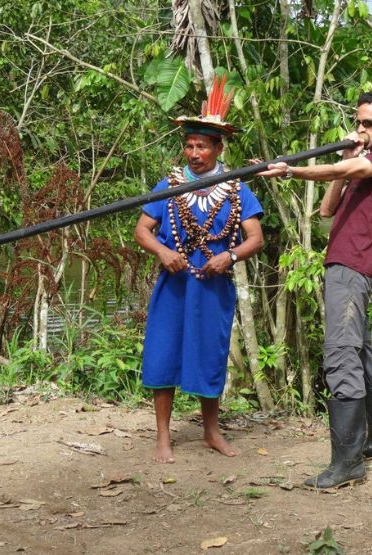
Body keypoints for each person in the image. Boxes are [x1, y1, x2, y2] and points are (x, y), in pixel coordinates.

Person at [259, 88, 372, 489]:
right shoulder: (362, 165)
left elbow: (344, 173)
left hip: (353, 265)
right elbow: (328, 208)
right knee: (359, 350)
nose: (359, 129)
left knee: (341, 354)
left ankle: (348, 463)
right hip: (343, 261)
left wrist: (291, 171)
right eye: (357, 122)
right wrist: (346, 157)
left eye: (368, 123)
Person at [134, 76, 264, 464]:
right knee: (163, 352)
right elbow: (142, 229)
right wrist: (161, 251)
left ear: (218, 148)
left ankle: (211, 431)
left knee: (210, 352)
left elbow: (255, 238)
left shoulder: (237, 188)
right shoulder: (169, 185)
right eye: (189, 145)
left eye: (202, 146)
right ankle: (162, 437)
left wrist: (231, 256)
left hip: (212, 286)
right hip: (173, 285)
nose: (194, 153)